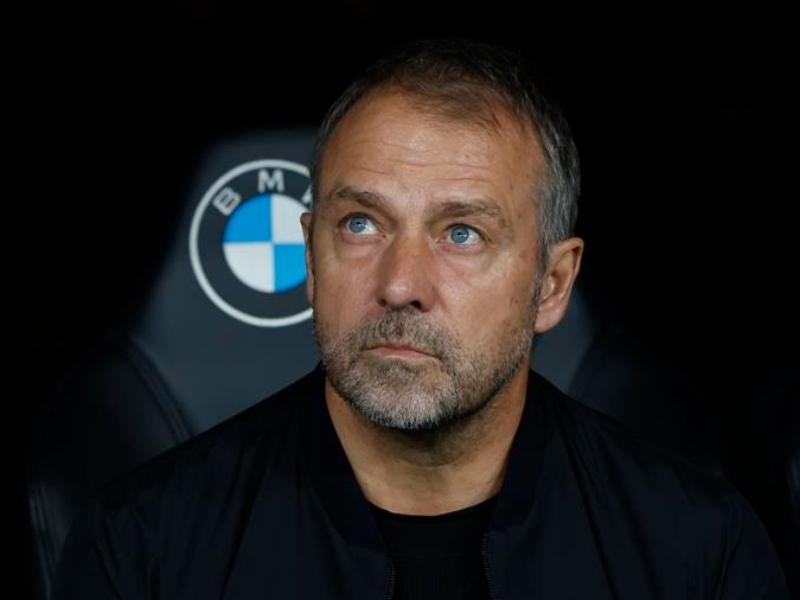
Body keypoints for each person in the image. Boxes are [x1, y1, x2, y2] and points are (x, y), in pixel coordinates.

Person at [49, 36, 790, 600]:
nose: (400, 285)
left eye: (461, 233)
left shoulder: (699, 550)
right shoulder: (141, 550)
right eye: (362, 225)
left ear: (553, 284)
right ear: (310, 258)